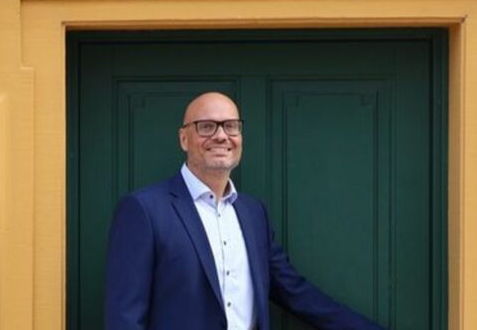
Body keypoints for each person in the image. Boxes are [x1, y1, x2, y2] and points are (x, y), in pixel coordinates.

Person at [105, 91, 385, 330]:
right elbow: (124, 317)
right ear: (183, 139)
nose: (220, 136)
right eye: (206, 126)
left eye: (230, 126)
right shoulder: (144, 209)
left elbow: (295, 292)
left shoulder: (253, 214)